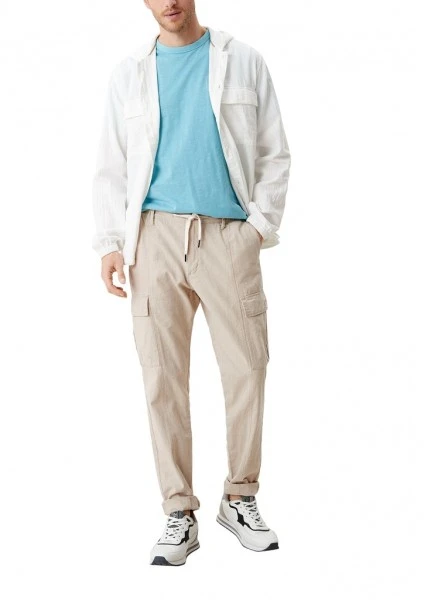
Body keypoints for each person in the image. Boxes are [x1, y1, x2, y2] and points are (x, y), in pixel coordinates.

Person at [92, 0, 291, 566]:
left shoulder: (243, 59)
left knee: (248, 368)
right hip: (153, 238)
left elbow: (275, 152)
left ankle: (240, 497)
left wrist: (257, 228)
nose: (169, 2)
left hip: (228, 235)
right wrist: (110, 241)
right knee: (162, 378)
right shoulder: (129, 72)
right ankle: (178, 510)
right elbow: (111, 162)